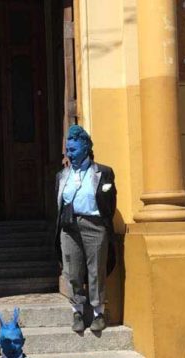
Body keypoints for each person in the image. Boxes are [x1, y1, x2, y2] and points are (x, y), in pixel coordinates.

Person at [55, 125, 117, 333]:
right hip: (69, 227)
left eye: (73, 150)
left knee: (96, 269)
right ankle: (78, 311)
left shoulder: (102, 173)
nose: (69, 154)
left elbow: (110, 202)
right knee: (72, 271)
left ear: (85, 148)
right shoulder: (62, 175)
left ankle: (98, 313)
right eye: (67, 150)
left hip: (94, 225)